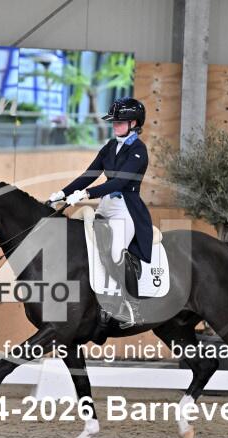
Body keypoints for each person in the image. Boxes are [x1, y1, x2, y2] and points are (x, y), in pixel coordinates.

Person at [49, 97, 152, 329]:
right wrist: (62, 193)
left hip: (126, 209)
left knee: (116, 252)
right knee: (88, 249)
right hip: (106, 206)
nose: (115, 126)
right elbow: (90, 174)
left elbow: (119, 182)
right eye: (114, 122)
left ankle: (132, 306)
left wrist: (86, 194)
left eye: (120, 122)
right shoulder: (110, 146)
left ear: (134, 123)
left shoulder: (138, 151)